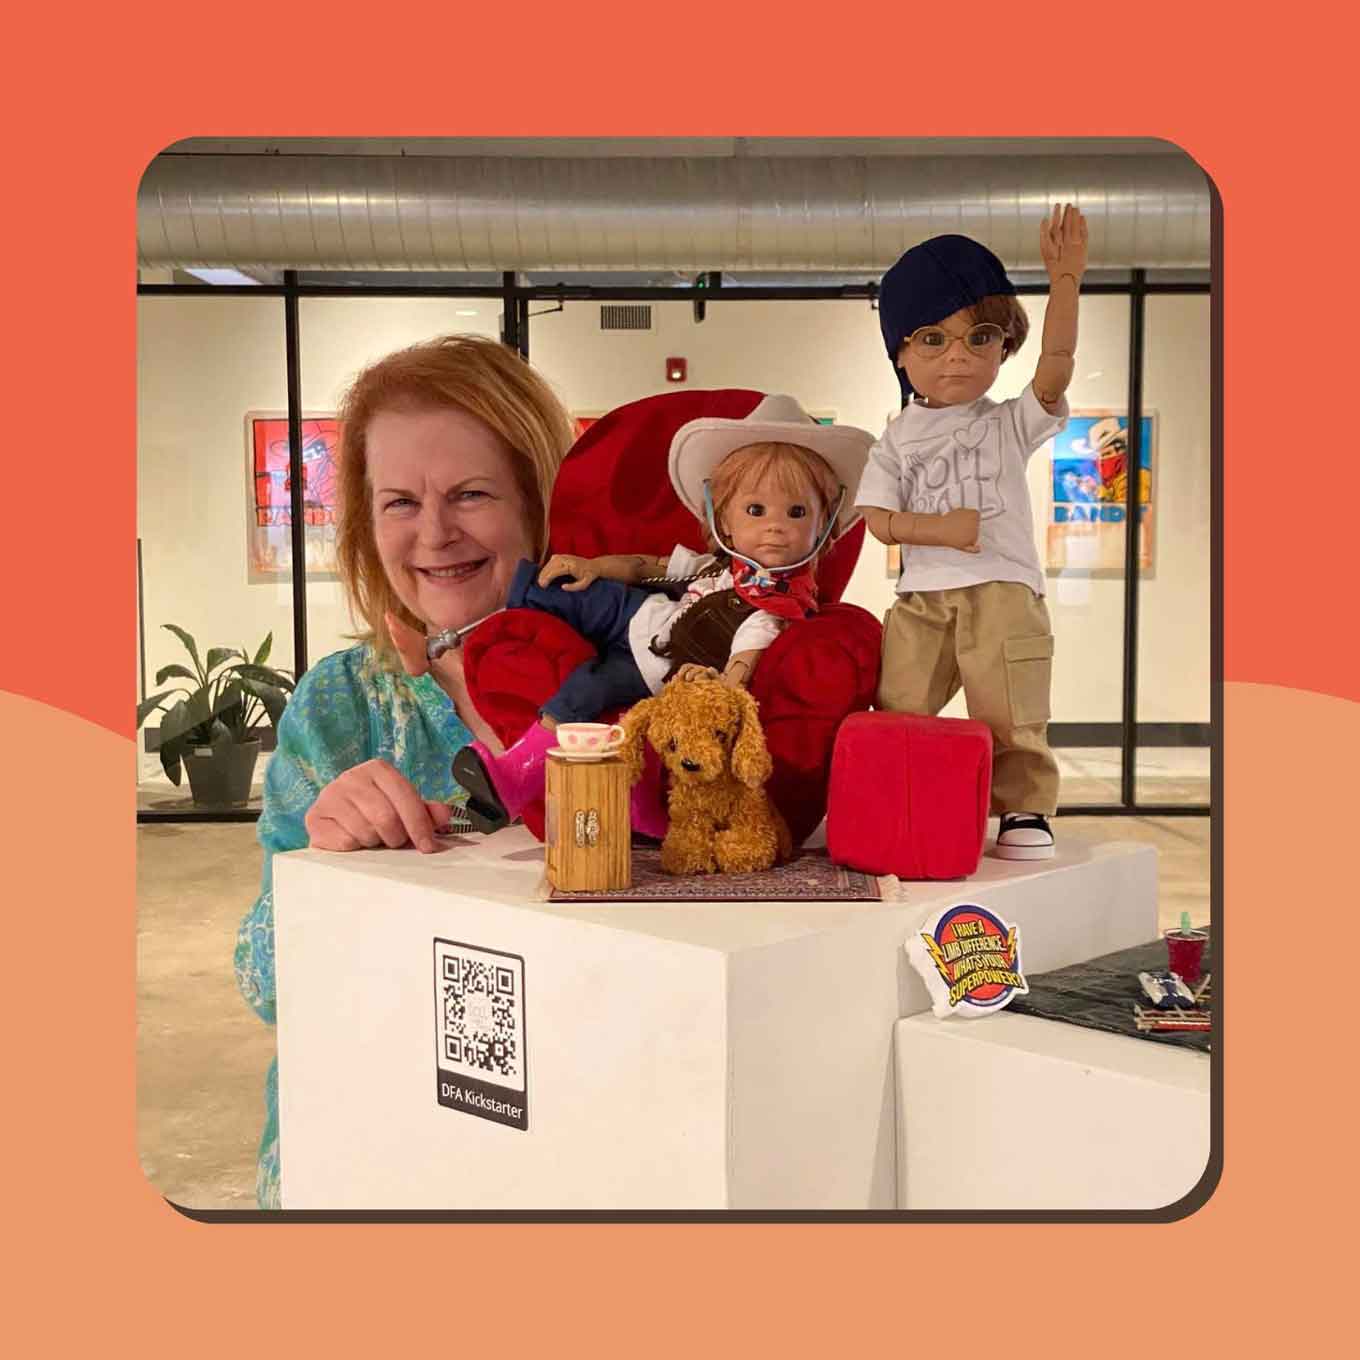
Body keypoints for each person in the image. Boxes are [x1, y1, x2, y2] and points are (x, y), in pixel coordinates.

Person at [232, 335, 576, 1208]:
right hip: (369, 1157)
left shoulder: (625, 692)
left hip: (572, 1148)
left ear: (540, 504)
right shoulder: (341, 706)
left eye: (470, 494)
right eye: (399, 502)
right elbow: (266, 988)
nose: (434, 534)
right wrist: (319, 864)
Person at [450, 394, 976, 834]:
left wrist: (718, 686)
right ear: (721, 515)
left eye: (796, 513)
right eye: (755, 511)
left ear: (823, 524)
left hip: (648, 668)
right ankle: (464, 625)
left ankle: (514, 774)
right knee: (561, 590)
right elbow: (645, 567)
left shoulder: (775, 612)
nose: (775, 527)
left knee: (587, 688)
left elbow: (742, 666)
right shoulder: (712, 566)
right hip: (642, 613)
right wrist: (590, 565)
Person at [854, 206, 1089, 860]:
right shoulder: (898, 435)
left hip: (1003, 591)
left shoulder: (1008, 422)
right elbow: (875, 519)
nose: (957, 356)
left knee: (1010, 707)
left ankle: (1022, 810)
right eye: (933, 338)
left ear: (1003, 346)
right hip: (922, 598)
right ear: (901, 351)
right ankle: (903, 800)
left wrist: (1064, 282)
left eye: (979, 337)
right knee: (900, 704)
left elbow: (1058, 364)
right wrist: (938, 529)